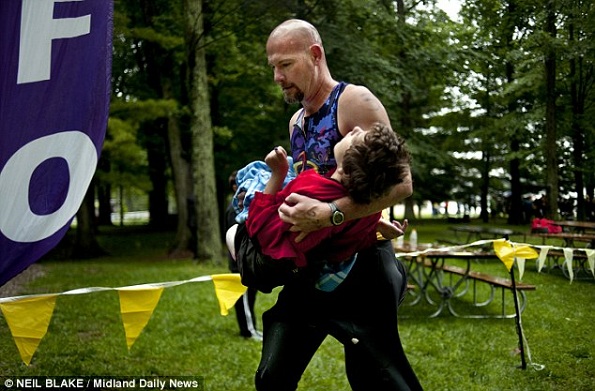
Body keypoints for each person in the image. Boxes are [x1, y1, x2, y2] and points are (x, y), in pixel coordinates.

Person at [248, 19, 423, 390]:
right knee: (272, 376)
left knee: (375, 380)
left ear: (315, 55)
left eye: (286, 64)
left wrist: (333, 214)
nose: (277, 77)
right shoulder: (296, 121)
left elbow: (401, 183)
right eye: (273, 67)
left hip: (365, 272)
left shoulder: (354, 101)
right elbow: (315, 187)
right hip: (312, 270)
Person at [227, 123, 411, 291]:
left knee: (237, 221)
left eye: (355, 137)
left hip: (259, 264)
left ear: (344, 169)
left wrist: (278, 173)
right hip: (299, 268)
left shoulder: (310, 191)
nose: (355, 128)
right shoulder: (368, 210)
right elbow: (347, 244)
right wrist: (375, 227)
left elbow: (259, 229)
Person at [223, 170, 262, 341]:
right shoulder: (234, 210)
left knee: (250, 297)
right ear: (234, 187)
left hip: (247, 261)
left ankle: (252, 327)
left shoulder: (243, 207)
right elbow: (237, 237)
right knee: (244, 299)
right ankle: (248, 331)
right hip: (239, 264)